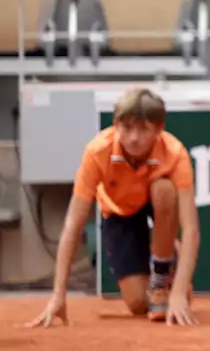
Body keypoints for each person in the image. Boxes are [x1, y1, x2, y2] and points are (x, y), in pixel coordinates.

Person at [26, 88, 200, 328]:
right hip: (119, 211)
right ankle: (169, 257)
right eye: (127, 128)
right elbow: (73, 223)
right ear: (116, 125)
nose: (134, 138)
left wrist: (179, 292)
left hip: (157, 200)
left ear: (159, 130)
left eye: (143, 129)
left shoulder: (175, 153)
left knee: (164, 190)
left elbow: (191, 228)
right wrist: (58, 294)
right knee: (138, 303)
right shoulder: (98, 152)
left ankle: (161, 278)